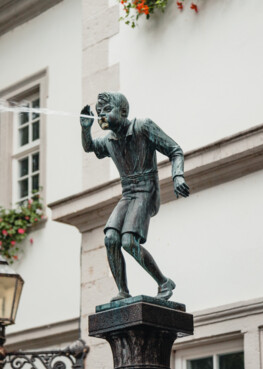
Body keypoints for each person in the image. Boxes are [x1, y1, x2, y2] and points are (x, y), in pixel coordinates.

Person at [80, 92, 190, 301]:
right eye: (98, 113)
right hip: (128, 193)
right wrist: (85, 129)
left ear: (123, 111)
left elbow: (175, 150)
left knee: (129, 241)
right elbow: (89, 147)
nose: (101, 116)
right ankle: (123, 291)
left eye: (106, 111)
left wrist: (178, 177)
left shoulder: (142, 126)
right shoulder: (109, 140)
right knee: (111, 238)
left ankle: (164, 282)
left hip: (147, 191)